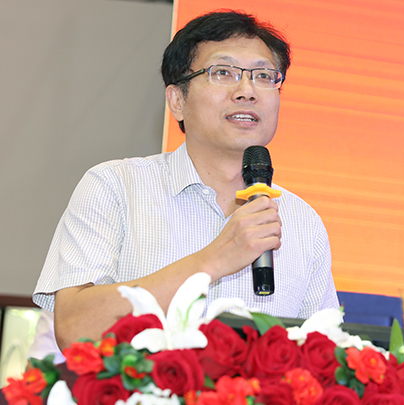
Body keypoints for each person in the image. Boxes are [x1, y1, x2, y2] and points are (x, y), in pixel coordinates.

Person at [33, 10, 339, 350]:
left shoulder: (303, 221)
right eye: (223, 72)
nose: (247, 91)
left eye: (264, 75)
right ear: (177, 100)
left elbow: (326, 354)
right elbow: (75, 328)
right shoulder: (115, 187)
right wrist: (213, 261)